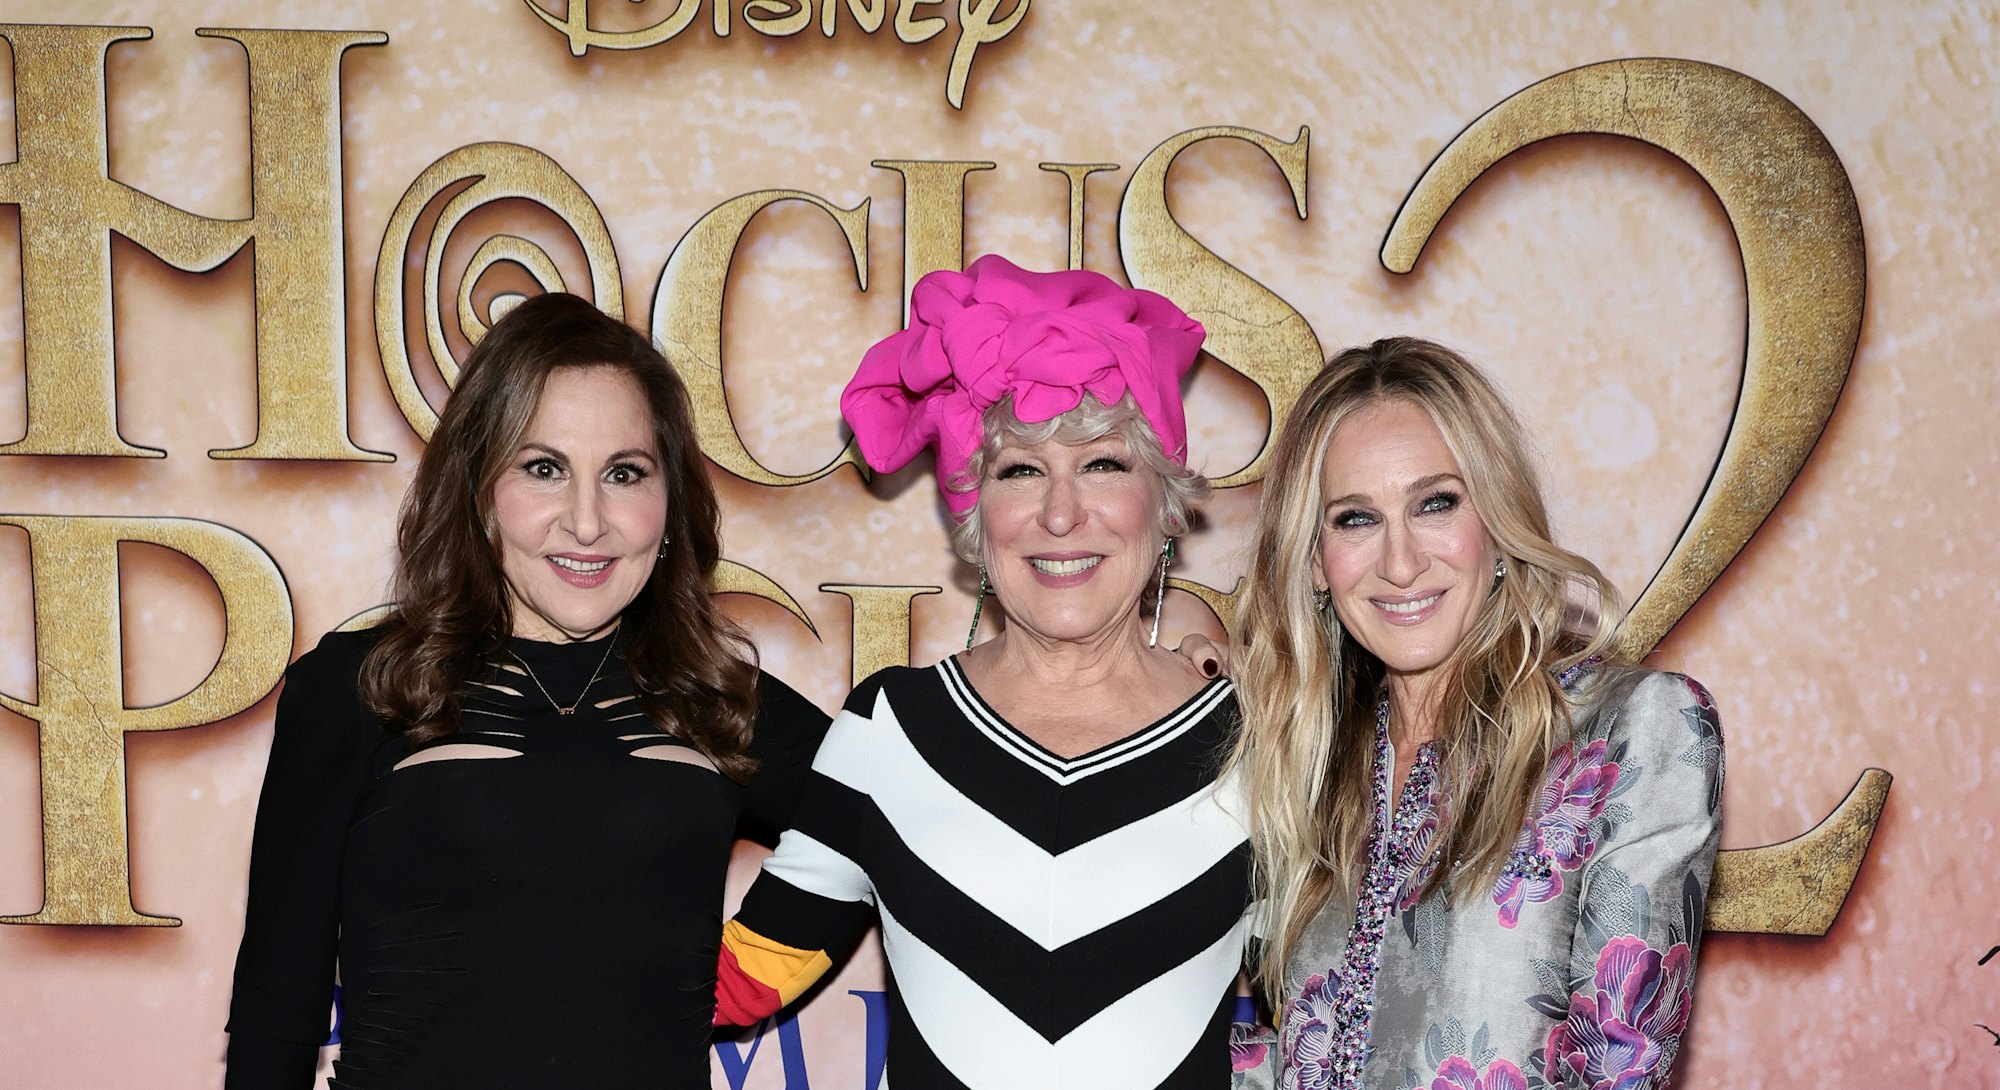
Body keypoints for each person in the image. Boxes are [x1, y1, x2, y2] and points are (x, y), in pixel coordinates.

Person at [223, 293, 829, 1090]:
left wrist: (751, 972)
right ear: (479, 490)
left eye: (625, 473)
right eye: (543, 469)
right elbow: (279, 998)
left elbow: (893, 822)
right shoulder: (363, 685)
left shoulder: (717, 698)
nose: (586, 522)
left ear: (671, 505)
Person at [712, 255, 1253, 1088]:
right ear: (975, 508)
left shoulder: (1261, 737)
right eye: (1020, 469)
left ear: (1166, 501)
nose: (1061, 512)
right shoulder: (887, 727)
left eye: (1103, 464)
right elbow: (740, 981)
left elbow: (1370, 997)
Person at [1225, 338, 1724, 1090]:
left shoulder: (1632, 731)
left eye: (1435, 503)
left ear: (1495, 525)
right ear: (1314, 563)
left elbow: (1620, 1068)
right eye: (1356, 519)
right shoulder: (1302, 763)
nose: (1400, 563)